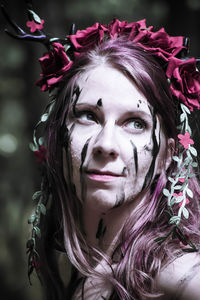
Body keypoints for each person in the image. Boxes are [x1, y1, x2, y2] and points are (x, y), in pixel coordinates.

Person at [3, 5, 200, 300]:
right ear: (57, 137)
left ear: (167, 156)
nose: (105, 144)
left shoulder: (178, 274)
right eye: (87, 115)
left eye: (135, 123)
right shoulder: (83, 269)